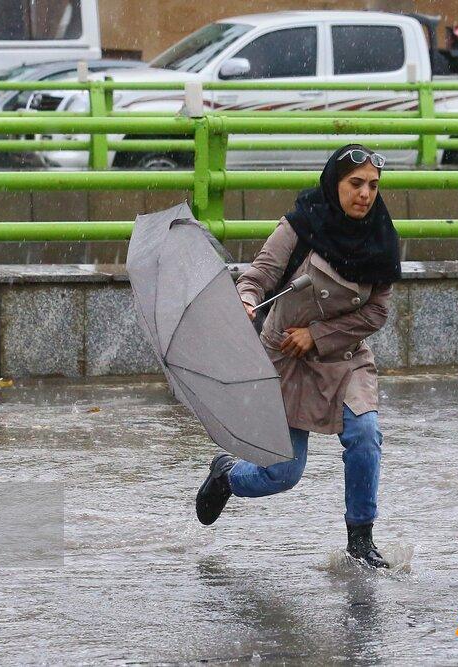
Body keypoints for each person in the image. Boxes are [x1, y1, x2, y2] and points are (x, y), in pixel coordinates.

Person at [194, 144, 402, 568]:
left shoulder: (380, 239)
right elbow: (258, 276)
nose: (365, 194)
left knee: (365, 435)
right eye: (355, 184)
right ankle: (227, 475)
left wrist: (319, 334)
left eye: (373, 186)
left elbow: (377, 311)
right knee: (282, 474)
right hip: (285, 359)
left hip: (344, 357)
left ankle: (361, 539)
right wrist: (246, 301)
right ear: (334, 184)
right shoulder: (302, 224)